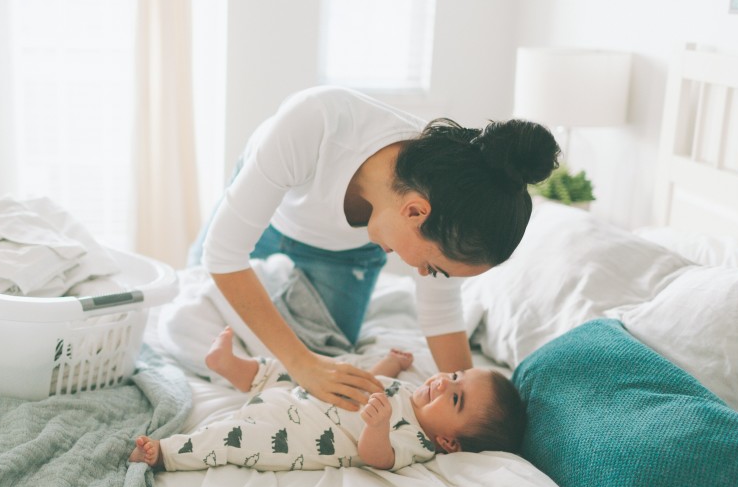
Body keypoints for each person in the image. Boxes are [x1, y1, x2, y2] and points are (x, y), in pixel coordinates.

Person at [189, 86, 559, 410]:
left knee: (329, 349)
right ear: (415, 211)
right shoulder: (316, 122)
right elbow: (223, 254)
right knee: (196, 290)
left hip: (345, 252)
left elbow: (442, 313)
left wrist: (473, 402)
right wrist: (302, 364)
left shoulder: (450, 211)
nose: (423, 275)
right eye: (433, 267)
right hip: (271, 213)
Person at [129, 327, 525, 472]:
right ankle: (233, 367)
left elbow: (378, 459)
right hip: (308, 390)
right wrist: (391, 364)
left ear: (449, 443)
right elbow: (375, 381)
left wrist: (377, 427)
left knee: (233, 438)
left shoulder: (416, 442)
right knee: (281, 369)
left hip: (292, 430)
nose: (442, 384)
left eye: (454, 399)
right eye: (454, 376)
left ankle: (165, 453)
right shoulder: (413, 392)